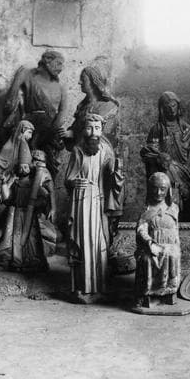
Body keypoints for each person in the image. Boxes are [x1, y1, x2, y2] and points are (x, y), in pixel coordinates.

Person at [65, 114, 125, 302]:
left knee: (100, 244)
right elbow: (68, 178)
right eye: (89, 128)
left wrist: (117, 171)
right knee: (83, 242)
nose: (93, 133)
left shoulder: (106, 151)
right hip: (81, 202)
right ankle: (83, 288)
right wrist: (74, 182)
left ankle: (100, 288)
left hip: (99, 202)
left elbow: (114, 178)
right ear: (84, 130)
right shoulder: (77, 151)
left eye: (97, 128)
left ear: (102, 129)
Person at [140, 91, 190, 215]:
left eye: (174, 106)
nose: (171, 109)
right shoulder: (157, 129)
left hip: (183, 169)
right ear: (162, 109)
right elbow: (149, 151)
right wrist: (160, 156)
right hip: (165, 168)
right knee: (168, 186)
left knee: (183, 195)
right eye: (168, 107)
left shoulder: (182, 126)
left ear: (178, 107)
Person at [1, 51, 67, 176]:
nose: (61, 68)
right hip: (30, 127)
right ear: (47, 62)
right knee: (23, 166)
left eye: (62, 64)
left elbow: (63, 112)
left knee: (47, 168)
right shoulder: (28, 76)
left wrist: (52, 131)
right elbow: (9, 104)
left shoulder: (61, 87)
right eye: (58, 63)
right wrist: (18, 80)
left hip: (49, 132)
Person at [0, 149, 56, 272]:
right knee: (17, 237)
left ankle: (34, 260)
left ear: (30, 168)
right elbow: (8, 199)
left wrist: (35, 204)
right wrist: (4, 184)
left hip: (30, 214)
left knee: (33, 237)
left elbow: (44, 198)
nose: (23, 169)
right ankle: (17, 261)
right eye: (21, 167)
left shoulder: (35, 184)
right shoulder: (16, 184)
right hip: (18, 213)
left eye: (26, 167)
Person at [134, 172, 181, 308]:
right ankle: (148, 294)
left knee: (173, 255)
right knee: (148, 259)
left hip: (170, 245)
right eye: (155, 188)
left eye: (162, 189)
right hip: (151, 245)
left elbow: (175, 231)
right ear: (150, 189)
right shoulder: (146, 209)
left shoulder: (174, 208)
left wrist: (175, 246)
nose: (158, 192)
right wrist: (150, 242)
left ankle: (168, 292)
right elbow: (141, 229)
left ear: (168, 190)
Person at [64, 56, 120, 149]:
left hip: (99, 153)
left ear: (94, 82)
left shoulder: (108, 106)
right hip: (80, 152)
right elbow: (76, 128)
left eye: (83, 79)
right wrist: (68, 134)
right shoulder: (83, 106)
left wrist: (76, 134)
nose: (79, 82)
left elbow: (104, 136)